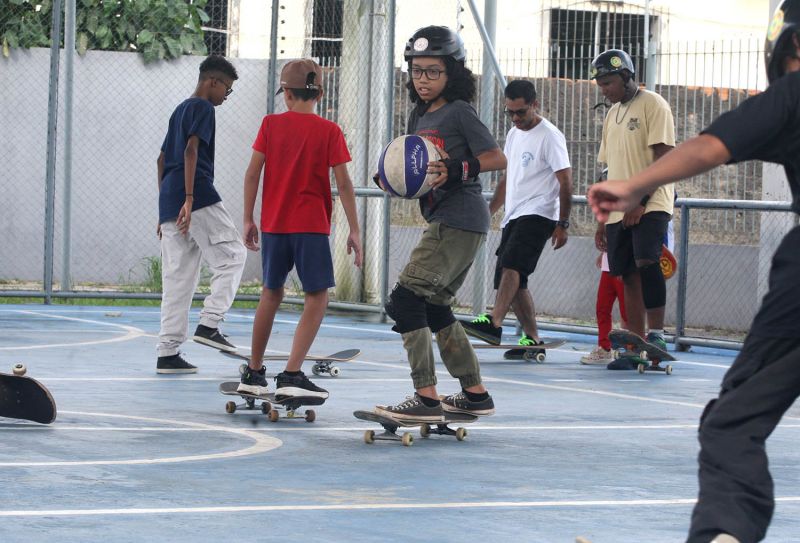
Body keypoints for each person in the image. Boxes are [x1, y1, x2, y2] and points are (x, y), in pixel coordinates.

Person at [587, 2, 800, 540]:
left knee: (735, 423)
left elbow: (710, 145)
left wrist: (635, 186)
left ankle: (726, 531)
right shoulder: (611, 113)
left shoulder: (793, 94)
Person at [374, 26, 506, 421]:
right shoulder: (419, 113)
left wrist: (459, 167)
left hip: (460, 217)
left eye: (433, 71)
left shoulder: (460, 111)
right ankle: (475, 393)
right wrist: (393, 179)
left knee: (405, 299)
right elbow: (416, 166)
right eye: (417, 71)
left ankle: (426, 398)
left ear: (451, 72)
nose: (424, 79)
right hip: (447, 219)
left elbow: (498, 159)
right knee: (434, 309)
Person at [238, 59, 362, 400]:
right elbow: (345, 184)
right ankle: (292, 373)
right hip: (310, 227)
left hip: (275, 225)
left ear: (287, 94)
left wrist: (248, 218)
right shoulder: (330, 131)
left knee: (271, 292)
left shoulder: (270, 125)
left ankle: (254, 371)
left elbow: (252, 174)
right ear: (319, 93)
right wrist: (354, 229)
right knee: (316, 296)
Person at [460, 79, 572, 362]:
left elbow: (566, 181)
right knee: (516, 281)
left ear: (535, 105)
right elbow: (507, 178)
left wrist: (563, 223)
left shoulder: (550, 136)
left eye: (520, 112)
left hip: (540, 213)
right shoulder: (513, 134)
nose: (516, 118)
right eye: (510, 112)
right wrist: (488, 213)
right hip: (515, 214)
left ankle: (494, 324)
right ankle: (533, 339)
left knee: (511, 264)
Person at [155, 55, 247, 374]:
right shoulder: (203, 108)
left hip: (169, 197)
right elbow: (190, 150)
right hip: (196, 193)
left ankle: (167, 353)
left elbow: (161, 159)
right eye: (227, 89)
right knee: (233, 255)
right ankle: (209, 325)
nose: (226, 96)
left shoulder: (180, 108)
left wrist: (163, 209)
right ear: (213, 82)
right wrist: (191, 197)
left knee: (178, 278)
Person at [590, 48, 676, 370]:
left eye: (609, 82)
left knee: (646, 260)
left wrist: (641, 201)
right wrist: (602, 219)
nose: (604, 89)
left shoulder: (653, 104)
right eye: (600, 84)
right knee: (625, 272)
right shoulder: (612, 114)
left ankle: (656, 334)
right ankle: (634, 342)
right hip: (617, 208)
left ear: (626, 76)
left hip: (651, 202)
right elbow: (607, 169)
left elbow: (665, 156)